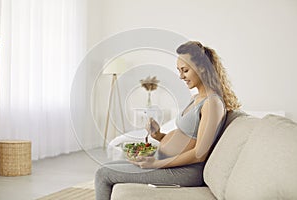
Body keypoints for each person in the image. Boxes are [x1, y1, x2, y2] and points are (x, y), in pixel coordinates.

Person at [95, 41, 241, 200]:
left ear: (202, 68)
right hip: (166, 161)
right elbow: (186, 140)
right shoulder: (197, 98)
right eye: (179, 71)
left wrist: (156, 164)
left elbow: (199, 154)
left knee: (103, 174)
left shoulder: (212, 103)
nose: (181, 76)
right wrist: (158, 135)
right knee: (106, 167)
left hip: (184, 171)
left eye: (185, 70)